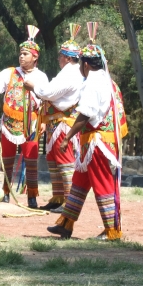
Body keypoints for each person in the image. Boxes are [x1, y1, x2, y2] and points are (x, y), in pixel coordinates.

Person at [48, 22, 128, 241]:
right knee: (79, 183)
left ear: (85, 63)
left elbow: (85, 114)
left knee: (102, 184)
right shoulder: (109, 82)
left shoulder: (93, 83)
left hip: (97, 143)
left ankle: (112, 231)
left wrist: (68, 137)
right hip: (99, 143)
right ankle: (66, 224)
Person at [0, 25, 49, 208]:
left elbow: (46, 100)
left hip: (31, 123)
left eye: (26, 54)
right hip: (9, 123)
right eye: (20, 53)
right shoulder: (10, 72)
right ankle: (6, 192)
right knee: (8, 159)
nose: (21, 56)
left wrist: (44, 121)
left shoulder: (41, 77)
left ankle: (32, 196)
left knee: (31, 159)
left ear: (35, 57)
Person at [24, 24, 84, 213]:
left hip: (64, 123)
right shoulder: (70, 72)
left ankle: (69, 200)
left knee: (64, 160)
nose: (58, 59)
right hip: (55, 122)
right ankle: (58, 197)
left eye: (60, 56)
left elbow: (49, 92)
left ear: (67, 58)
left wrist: (34, 86)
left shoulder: (71, 73)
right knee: (53, 159)